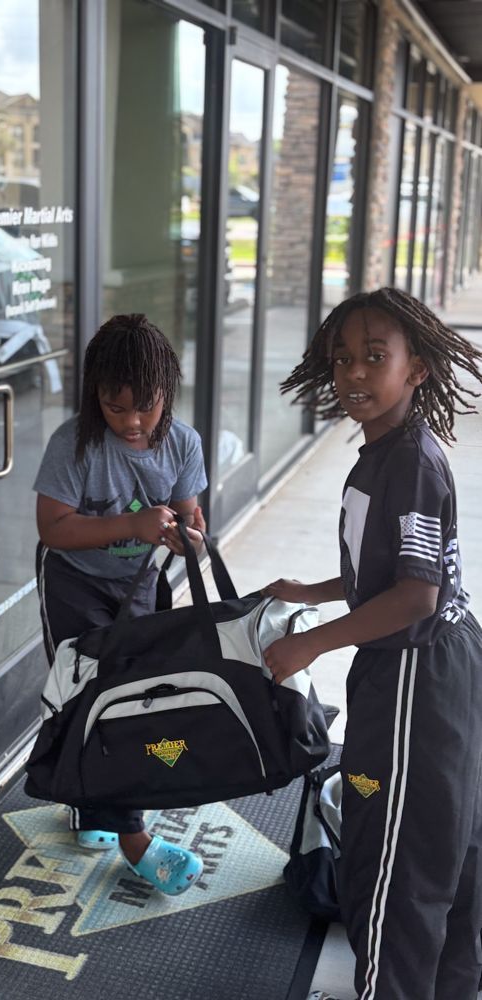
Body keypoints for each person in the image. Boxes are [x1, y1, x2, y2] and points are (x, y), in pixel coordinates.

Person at [262, 287, 482, 1000]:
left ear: (417, 369)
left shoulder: (410, 461)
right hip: (422, 668)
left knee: (396, 863)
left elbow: (417, 596)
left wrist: (312, 644)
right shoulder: (383, 452)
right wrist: (316, 591)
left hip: (419, 677)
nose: (354, 373)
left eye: (374, 359)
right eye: (343, 359)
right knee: (436, 847)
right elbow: (389, 572)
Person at [33, 313, 207, 895]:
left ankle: (94, 802)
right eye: (116, 407)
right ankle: (137, 842)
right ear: (94, 397)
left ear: (168, 393)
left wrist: (189, 537)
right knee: (87, 695)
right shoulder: (73, 444)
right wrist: (129, 522)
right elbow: (54, 529)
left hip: (143, 585)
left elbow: (191, 516)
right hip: (75, 584)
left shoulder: (183, 443)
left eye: (146, 406)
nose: (132, 422)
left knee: (137, 699)